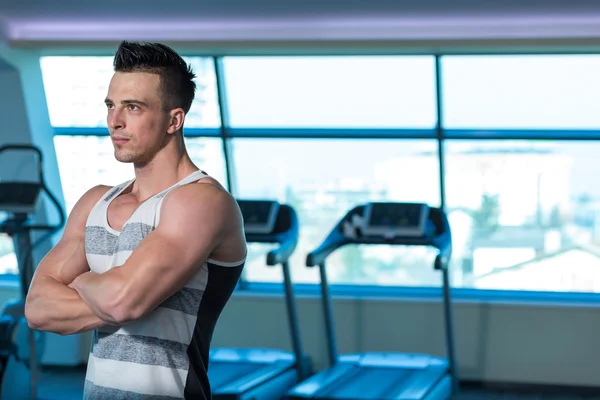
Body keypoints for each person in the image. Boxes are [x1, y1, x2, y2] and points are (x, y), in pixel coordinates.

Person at [25, 41, 247, 399]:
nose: (115, 121)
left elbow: (122, 302)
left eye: (133, 107)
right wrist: (113, 290)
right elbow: (37, 309)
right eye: (111, 106)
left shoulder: (202, 201)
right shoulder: (95, 201)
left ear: (174, 119)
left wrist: (80, 280)